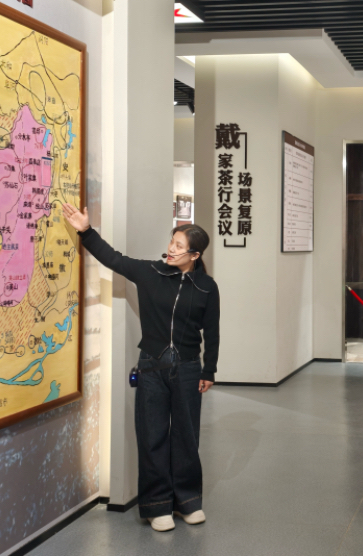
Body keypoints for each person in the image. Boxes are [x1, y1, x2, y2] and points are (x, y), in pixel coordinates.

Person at [61, 203, 220, 533]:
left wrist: (209, 370)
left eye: (179, 246)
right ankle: (157, 506)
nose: (171, 249)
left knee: (187, 437)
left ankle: (188, 501)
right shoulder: (150, 272)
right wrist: (86, 231)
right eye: (172, 241)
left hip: (189, 369)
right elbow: (114, 259)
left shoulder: (207, 287)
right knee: (152, 436)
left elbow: (213, 331)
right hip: (151, 367)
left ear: (194, 254)